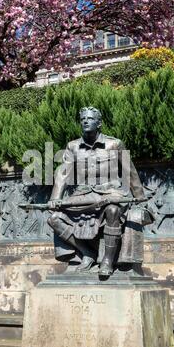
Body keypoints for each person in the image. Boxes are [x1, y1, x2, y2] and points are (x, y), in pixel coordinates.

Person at [47, 106, 149, 277]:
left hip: (111, 193)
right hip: (83, 195)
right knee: (54, 219)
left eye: (90, 118)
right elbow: (63, 173)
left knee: (113, 210)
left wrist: (140, 198)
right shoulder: (72, 146)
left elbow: (129, 172)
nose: (86, 121)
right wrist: (55, 198)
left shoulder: (114, 144)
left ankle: (107, 261)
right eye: (83, 119)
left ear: (99, 123)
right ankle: (87, 252)